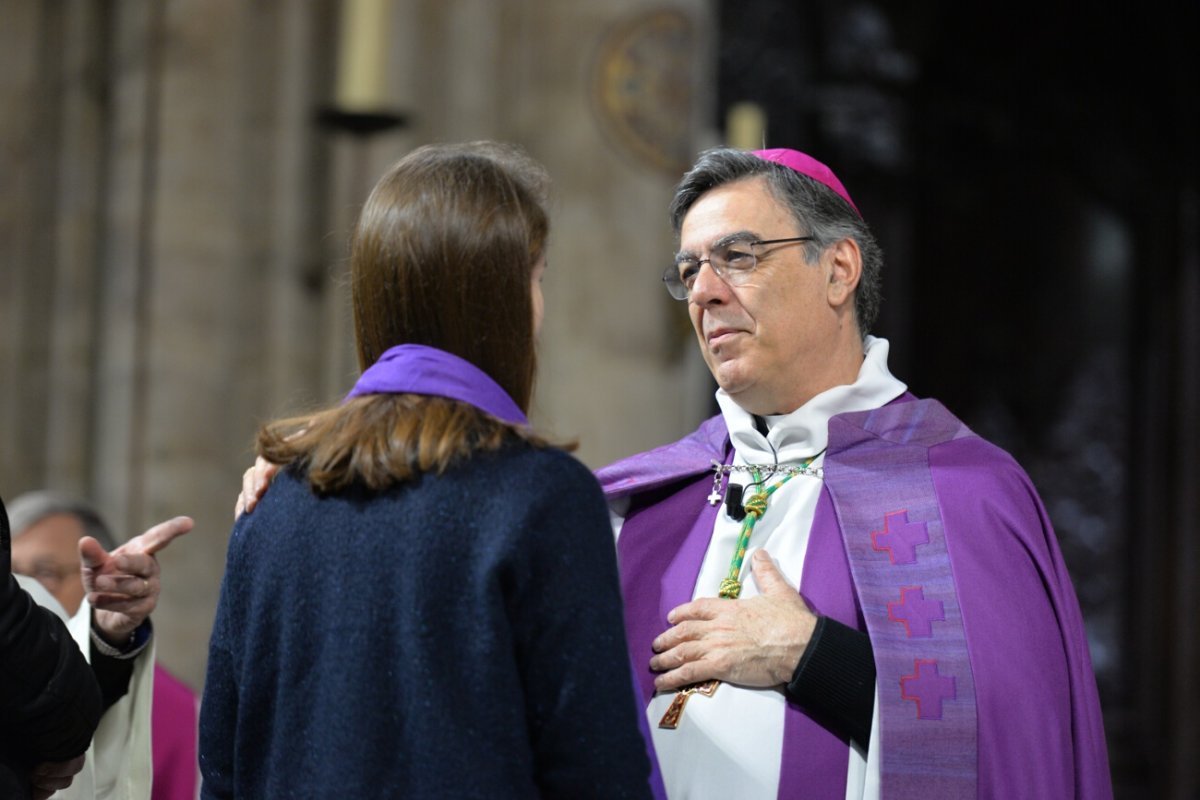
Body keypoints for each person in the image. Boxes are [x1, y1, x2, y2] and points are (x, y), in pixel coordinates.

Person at [595, 147, 1112, 798]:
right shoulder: (644, 506)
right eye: (689, 269)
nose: (703, 290)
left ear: (838, 270)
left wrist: (815, 658)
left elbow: (1015, 752)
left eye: (738, 257)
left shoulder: (960, 490)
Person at [200, 142, 652, 798]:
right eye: (538, 278)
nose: (540, 308)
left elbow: (224, 773)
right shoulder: (542, 497)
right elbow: (595, 770)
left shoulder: (274, 500)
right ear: (497, 300)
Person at [8, 492, 201, 800]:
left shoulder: (174, 710)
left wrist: (105, 636)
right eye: (12, 576)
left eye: (45, 573)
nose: (25, 594)